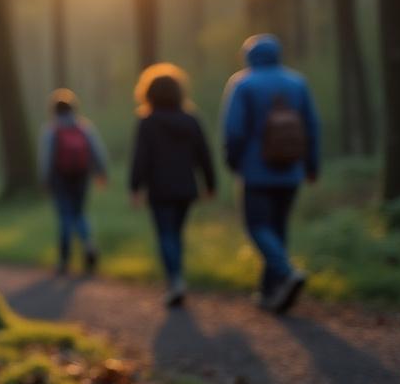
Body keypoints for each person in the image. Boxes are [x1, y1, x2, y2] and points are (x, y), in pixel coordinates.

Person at [221, 34, 321, 314]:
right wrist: (311, 166)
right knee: (277, 228)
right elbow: (312, 126)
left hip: (256, 171)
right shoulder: (297, 82)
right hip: (291, 170)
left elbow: (234, 130)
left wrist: (233, 161)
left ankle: (286, 273)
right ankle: (270, 291)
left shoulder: (243, 83)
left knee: (257, 227)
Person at [128, 64, 216, 307]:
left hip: (159, 189)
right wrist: (210, 184)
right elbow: (204, 154)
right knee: (176, 233)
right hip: (186, 188)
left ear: (148, 93)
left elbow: (140, 158)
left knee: (166, 234)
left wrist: (135, 188)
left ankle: (175, 280)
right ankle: (177, 278)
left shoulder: (147, 121)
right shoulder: (191, 119)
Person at [38, 89, 108, 276]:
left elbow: (46, 159)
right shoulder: (84, 127)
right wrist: (101, 172)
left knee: (65, 216)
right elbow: (97, 151)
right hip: (81, 176)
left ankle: (64, 260)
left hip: (60, 179)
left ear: (54, 111)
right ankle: (89, 245)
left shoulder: (51, 130)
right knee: (80, 213)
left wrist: (45, 180)